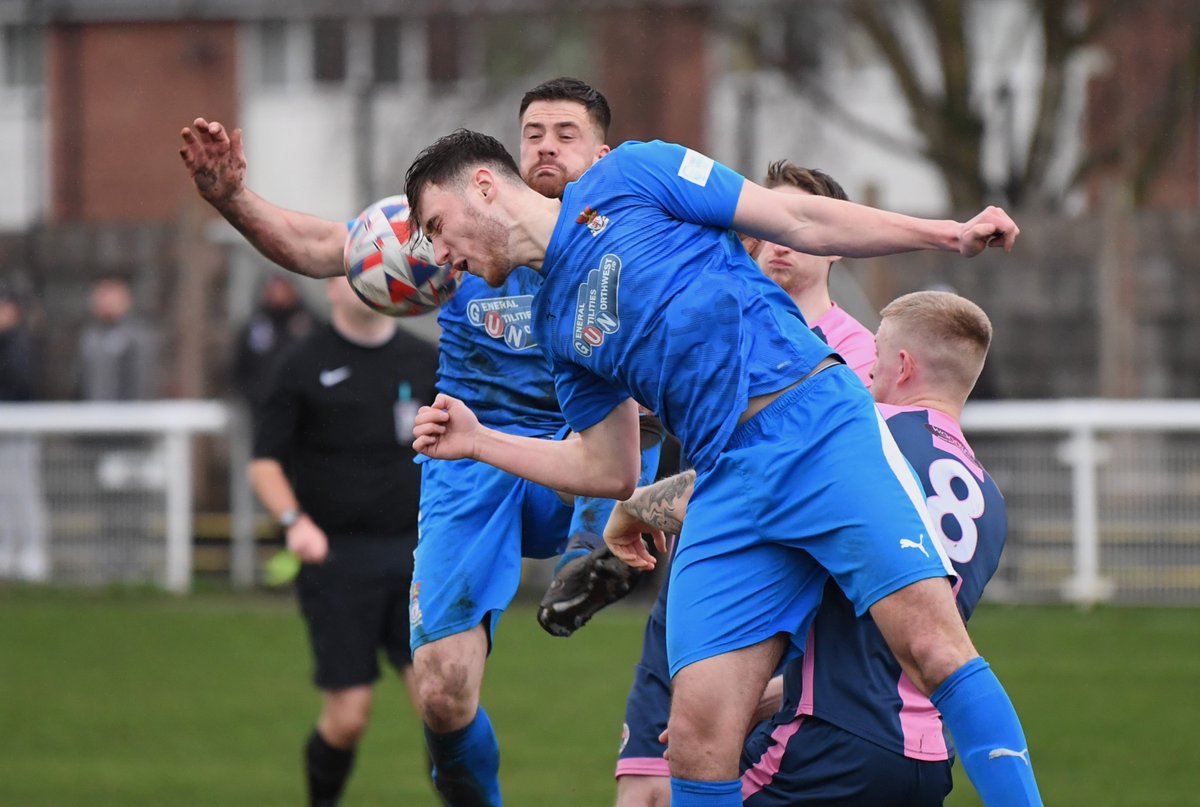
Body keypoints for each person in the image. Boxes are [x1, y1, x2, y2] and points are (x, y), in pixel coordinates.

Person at [405, 131, 1042, 806]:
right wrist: (479, 442)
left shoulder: (629, 175)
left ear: (483, 186)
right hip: (726, 482)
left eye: (437, 227)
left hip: (814, 426)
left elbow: (798, 217)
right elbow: (608, 466)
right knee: (695, 737)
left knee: (933, 650)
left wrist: (948, 234)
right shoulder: (555, 322)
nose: (438, 256)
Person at [179, 77, 661, 806]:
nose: (546, 147)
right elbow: (326, 246)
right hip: (469, 453)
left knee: (637, 407)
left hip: (582, 446)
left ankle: (591, 555)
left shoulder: (629, 237)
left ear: (602, 153)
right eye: (533, 133)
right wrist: (231, 197)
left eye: (566, 133)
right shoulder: (458, 228)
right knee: (440, 693)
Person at [611, 290, 1009, 805]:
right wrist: (767, 695)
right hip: (925, 758)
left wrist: (632, 507)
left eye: (876, 356)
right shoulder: (988, 498)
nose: (867, 372)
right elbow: (878, 651)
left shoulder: (868, 437)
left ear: (904, 366)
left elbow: (733, 493)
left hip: (829, 746)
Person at [613, 161, 871, 807]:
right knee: (644, 791)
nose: (779, 241)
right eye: (767, 223)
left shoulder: (859, 361)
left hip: (792, 620)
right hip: (692, 593)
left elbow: (788, 490)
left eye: (797, 225)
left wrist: (638, 508)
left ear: (835, 242)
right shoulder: (715, 332)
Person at [248, 275, 438, 806]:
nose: (366, 282)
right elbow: (264, 464)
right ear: (330, 287)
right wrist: (295, 523)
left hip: (418, 556)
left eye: (380, 270)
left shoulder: (426, 360)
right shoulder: (300, 362)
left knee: (441, 708)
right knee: (349, 716)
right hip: (337, 560)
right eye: (353, 272)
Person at [0, 284, 49, 582]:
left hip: (18, 432)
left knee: (22, 492)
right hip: (4, 431)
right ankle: (7, 549)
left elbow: (22, 385)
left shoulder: (21, 343)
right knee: (3, 495)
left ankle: (32, 552)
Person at [233, 273, 315, 416]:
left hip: (304, 408)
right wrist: (255, 395)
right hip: (263, 407)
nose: (278, 294)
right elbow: (240, 367)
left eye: (283, 289)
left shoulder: (309, 324)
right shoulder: (254, 327)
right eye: (273, 289)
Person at [75, 275, 159, 401]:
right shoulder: (89, 336)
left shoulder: (138, 336)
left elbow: (142, 381)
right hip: (93, 409)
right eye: (101, 295)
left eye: (111, 295)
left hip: (126, 410)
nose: (105, 301)